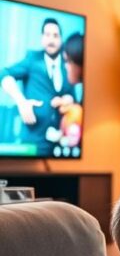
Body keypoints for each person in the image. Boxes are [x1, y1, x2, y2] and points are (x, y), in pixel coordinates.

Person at [0, 16, 72, 155]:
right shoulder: (32, 60)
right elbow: (3, 74)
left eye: (56, 35)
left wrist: (67, 100)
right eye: (47, 35)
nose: (51, 39)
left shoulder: (67, 66)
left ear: (61, 39)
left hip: (61, 147)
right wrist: (21, 102)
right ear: (42, 38)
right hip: (33, 144)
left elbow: (73, 97)